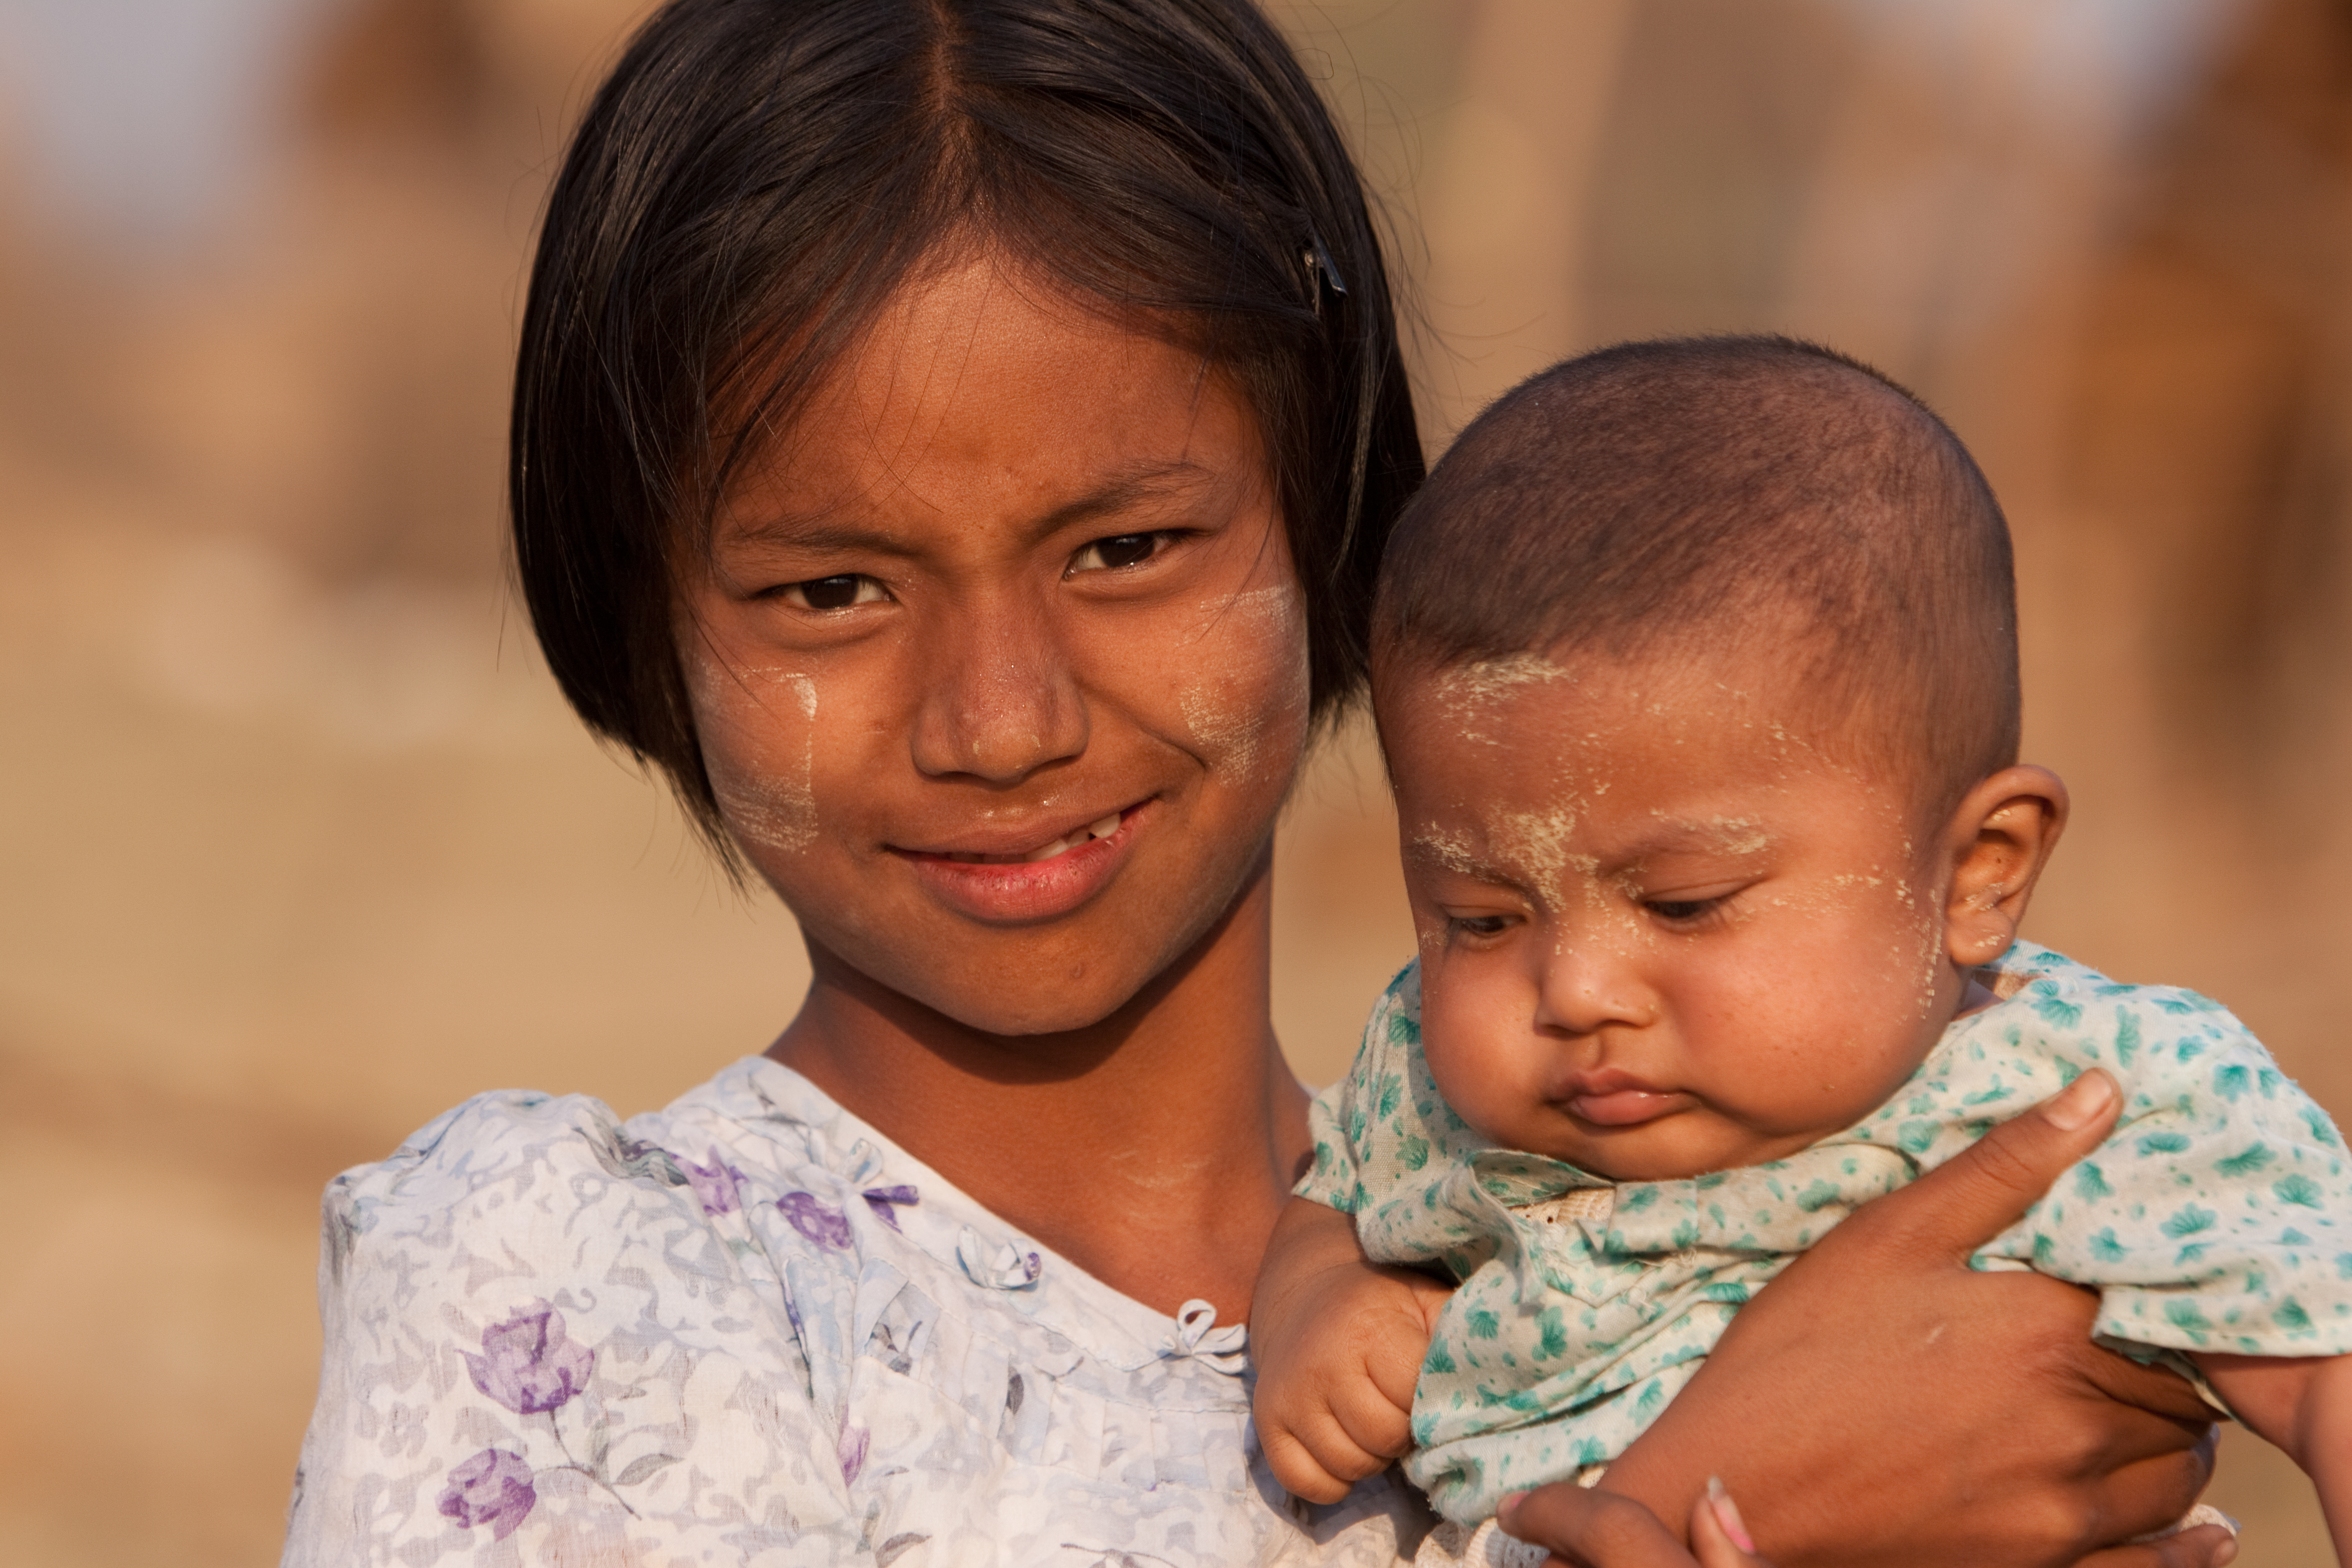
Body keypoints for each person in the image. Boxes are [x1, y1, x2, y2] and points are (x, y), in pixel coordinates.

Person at [279, 4, 2240, 1564]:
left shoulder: (1724, 1213)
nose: (1001, 719)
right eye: (833, 591)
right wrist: (1724, 1497)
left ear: (1326, 517)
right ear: (653, 622)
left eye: (1127, 548)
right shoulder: (585, 1289)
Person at [1251, 337, 2352, 1565]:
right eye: (1483, 919)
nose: (1577, 992)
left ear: (1979, 874)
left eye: (1684, 906)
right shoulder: (1428, 1070)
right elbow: (1335, 1187)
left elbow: (2328, 1370)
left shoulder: (2096, 1097)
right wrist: (1314, 1292)